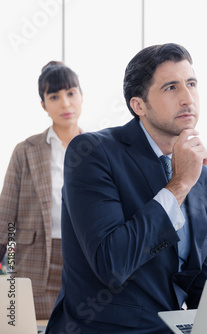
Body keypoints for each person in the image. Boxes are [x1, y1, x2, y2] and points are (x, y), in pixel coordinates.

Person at [45, 43, 207, 333]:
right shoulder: (92, 152)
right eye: (171, 88)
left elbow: (205, 288)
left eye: (191, 84)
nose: (188, 98)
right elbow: (112, 264)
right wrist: (178, 185)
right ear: (138, 105)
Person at [0, 61, 83, 319]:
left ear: (81, 95)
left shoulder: (99, 150)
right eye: (54, 96)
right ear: (44, 105)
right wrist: (9, 269)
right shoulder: (26, 150)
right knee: (31, 325)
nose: (65, 103)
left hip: (83, 263)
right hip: (34, 264)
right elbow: (7, 220)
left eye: (71, 93)